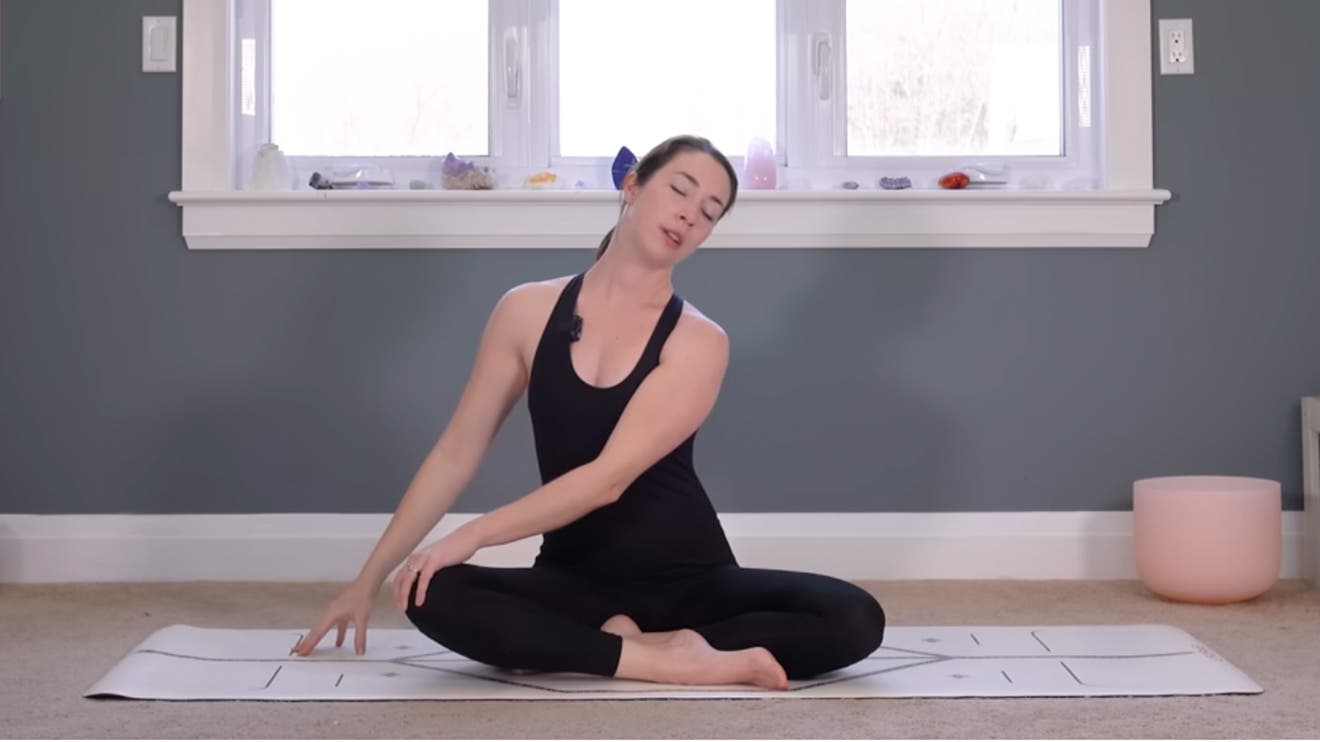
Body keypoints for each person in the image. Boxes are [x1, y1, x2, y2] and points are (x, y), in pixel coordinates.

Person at [291, 135, 885, 690]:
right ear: (632, 186)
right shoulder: (525, 311)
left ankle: (632, 648)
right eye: (679, 190)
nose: (688, 214)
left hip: (689, 580)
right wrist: (364, 582)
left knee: (854, 618)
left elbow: (608, 480)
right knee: (425, 590)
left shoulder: (699, 340)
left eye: (708, 212)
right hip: (572, 578)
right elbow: (456, 452)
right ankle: (663, 658)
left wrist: (469, 536)